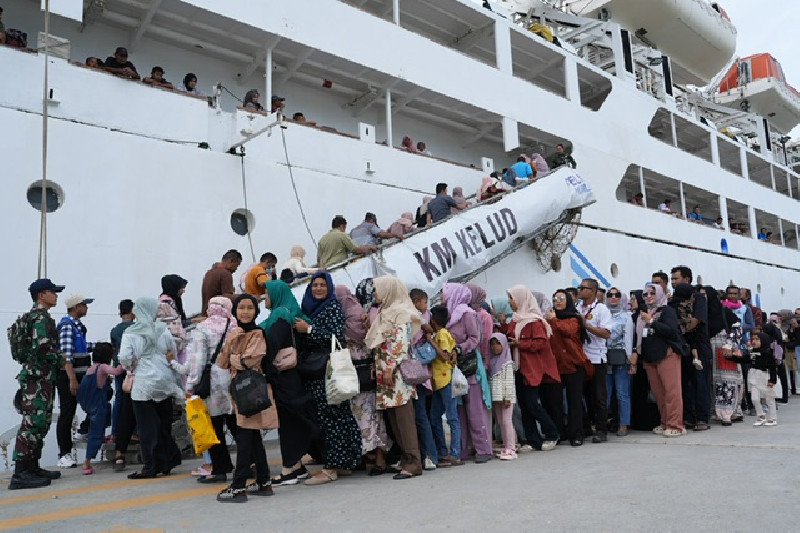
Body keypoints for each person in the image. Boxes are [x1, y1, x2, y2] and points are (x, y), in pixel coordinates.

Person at [298, 272, 362, 485]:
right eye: (314, 285)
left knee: (331, 418)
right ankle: (344, 462)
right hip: (318, 371)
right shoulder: (310, 307)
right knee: (338, 415)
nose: (317, 289)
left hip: (326, 370)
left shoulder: (332, 307)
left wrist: (308, 329)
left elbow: (335, 335)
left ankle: (331, 468)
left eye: (322, 285)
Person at [215, 294, 278, 502]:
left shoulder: (257, 333)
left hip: (250, 390)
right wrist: (233, 346)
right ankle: (264, 481)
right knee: (252, 437)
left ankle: (238, 486)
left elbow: (250, 361)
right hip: (241, 390)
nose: (245, 312)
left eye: (249, 308)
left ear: (256, 311)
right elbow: (222, 363)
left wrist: (235, 356)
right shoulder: (236, 333)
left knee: (244, 438)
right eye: (241, 308)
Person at [9, 278, 65, 490]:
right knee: (32, 423)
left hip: (39, 376)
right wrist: (60, 359)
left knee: (40, 422)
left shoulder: (35, 316)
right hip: (38, 378)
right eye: (52, 292)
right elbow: (42, 348)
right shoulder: (40, 318)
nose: (56, 295)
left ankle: (32, 466)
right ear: (42, 295)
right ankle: (21, 472)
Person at [365, 276, 424, 479]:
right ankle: (407, 459)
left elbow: (400, 345)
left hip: (396, 374)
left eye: (378, 290)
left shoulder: (401, 313)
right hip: (386, 373)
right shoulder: (385, 312)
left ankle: (415, 462)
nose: (375, 294)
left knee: (404, 419)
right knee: (394, 419)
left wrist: (389, 368)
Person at [260, 281, 318, 486]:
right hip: (294, 375)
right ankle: (297, 467)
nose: (264, 298)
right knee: (293, 419)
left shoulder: (279, 318)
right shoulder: (293, 315)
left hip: (284, 377)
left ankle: (288, 469)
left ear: (276, 295)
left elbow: (272, 346)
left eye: (266, 294)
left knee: (288, 422)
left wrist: (265, 370)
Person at [118, 297, 184, 479]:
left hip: (144, 383)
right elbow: (173, 352)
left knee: (147, 427)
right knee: (164, 424)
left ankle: (151, 466)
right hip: (165, 379)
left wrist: (131, 366)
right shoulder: (163, 329)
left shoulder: (130, 333)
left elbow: (124, 357)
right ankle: (168, 460)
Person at [334, 282, 391, 476]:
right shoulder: (354, 315)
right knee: (365, 417)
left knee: (370, 417)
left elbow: (373, 340)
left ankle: (380, 458)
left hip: (363, 373)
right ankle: (371, 456)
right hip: (357, 376)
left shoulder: (358, 316)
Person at [499, 285, 560, 451]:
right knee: (524, 405)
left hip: (531, 368)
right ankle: (533, 439)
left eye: (512, 298)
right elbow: (509, 336)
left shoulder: (535, 321)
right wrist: (503, 325)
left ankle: (551, 433)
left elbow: (541, 342)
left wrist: (521, 344)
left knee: (532, 404)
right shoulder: (516, 319)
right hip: (519, 367)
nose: (510, 302)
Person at [185, 297, 237, 483]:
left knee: (214, 426)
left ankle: (221, 468)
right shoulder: (235, 325)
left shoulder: (203, 328)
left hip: (212, 382)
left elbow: (198, 360)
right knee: (236, 424)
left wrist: (191, 385)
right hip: (233, 379)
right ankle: (251, 463)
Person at [442, 283, 493, 462]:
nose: (442, 296)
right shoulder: (449, 313)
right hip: (454, 366)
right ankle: (462, 449)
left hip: (469, 366)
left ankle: (484, 449)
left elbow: (475, 338)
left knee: (474, 409)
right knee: (459, 409)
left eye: (444, 292)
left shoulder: (467, 314)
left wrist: (459, 348)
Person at [639, 284, 686, 437]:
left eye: (652, 293)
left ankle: (676, 424)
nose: (648, 296)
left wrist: (651, 321)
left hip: (667, 354)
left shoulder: (667, 311)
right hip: (650, 356)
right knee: (658, 393)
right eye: (645, 294)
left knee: (672, 391)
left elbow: (671, 331)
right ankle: (665, 422)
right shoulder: (645, 312)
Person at [56, 293, 96, 468]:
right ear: (75, 307)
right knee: (67, 413)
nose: (86, 308)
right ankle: (64, 454)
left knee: (96, 401)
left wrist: (101, 347)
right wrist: (72, 378)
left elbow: (80, 347)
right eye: (84, 305)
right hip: (69, 377)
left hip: (80, 375)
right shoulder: (67, 326)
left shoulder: (77, 327)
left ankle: (84, 430)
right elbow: (66, 355)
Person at [545, 289, 590, 446]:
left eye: (562, 298)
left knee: (575, 402)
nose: (558, 301)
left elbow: (568, 330)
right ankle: (559, 432)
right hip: (556, 366)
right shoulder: (549, 318)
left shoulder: (574, 318)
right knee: (555, 402)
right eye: (555, 298)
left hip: (573, 364)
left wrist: (554, 320)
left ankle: (577, 434)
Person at [575, 279, 612, 443]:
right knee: (582, 395)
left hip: (596, 358)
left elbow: (606, 333)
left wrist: (587, 326)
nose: (580, 290)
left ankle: (602, 429)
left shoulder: (601, 309)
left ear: (593, 291)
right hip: (580, 358)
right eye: (580, 287)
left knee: (599, 396)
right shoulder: (576, 308)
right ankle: (586, 426)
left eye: (583, 288)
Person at [77, 343, 123, 475]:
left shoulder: (91, 368)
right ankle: (87, 463)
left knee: (106, 411)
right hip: (97, 403)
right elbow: (117, 371)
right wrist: (123, 363)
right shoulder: (103, 367)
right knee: (95, 433)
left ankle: (100, 436)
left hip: (88, 403)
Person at [427, 305, 463, 467]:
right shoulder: (444, 333)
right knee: (435, 417)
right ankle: (443, 452)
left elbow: (444, 355)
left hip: (445, 380)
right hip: (439, 382)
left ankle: (454, 453)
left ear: (433, 320)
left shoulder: (441, 334)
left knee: (451, 417)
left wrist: (430, 341)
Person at [409, 288, 437, 471]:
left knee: (420, 415)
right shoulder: (419, 318)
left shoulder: (421, 318)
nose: (426, 306)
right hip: (416, 371)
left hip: (416, 372)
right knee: (419, 416)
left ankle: (429, 455)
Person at [604, 288, 634, 436]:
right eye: (610, 295)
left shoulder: (626, 316)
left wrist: (630, 359)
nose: (613, 298)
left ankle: (624, 424)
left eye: (617, 295)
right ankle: (602, 423)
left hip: (620, 358)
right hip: (604, 358)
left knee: (622, 393)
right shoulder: (602, 314)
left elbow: (628, 339)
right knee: (605, 393)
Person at [110, 299, 134, 461]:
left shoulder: (115, 330)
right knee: (134, 400)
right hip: (133, 369)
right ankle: (135, 432)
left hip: (118, 367)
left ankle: (115, 432)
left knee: (119, 399)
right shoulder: (135, 328)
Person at [487, 333, 517, 460]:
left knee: (506, 421)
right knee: (500, 422)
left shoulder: (507, 362)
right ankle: (508, 446)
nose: (495, 347)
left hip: (506, 398)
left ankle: (511, 448)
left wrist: (507, 397)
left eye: (498, 344)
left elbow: (509, 381)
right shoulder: (493, 361)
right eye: (492, 344)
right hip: (497, 397)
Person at [748, 332, 779, 426]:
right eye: (753, 339)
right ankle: (761, 416)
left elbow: (772, 367)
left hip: (765, 376)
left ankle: (773, 418)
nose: (754, 341)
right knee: (754, 398)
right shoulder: (752, 351)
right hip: (754, 376)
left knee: (769, 398)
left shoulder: (768, 352)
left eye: (757, 339)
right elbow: (746, 359)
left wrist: (772, 380)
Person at [201, 250, 242, 316]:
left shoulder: (209, 273)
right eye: (237, 265)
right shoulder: (225, 274)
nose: (236, 269)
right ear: (230, 261)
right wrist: (245, 296)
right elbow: (226, 297)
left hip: (207, 314)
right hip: (219, 316)